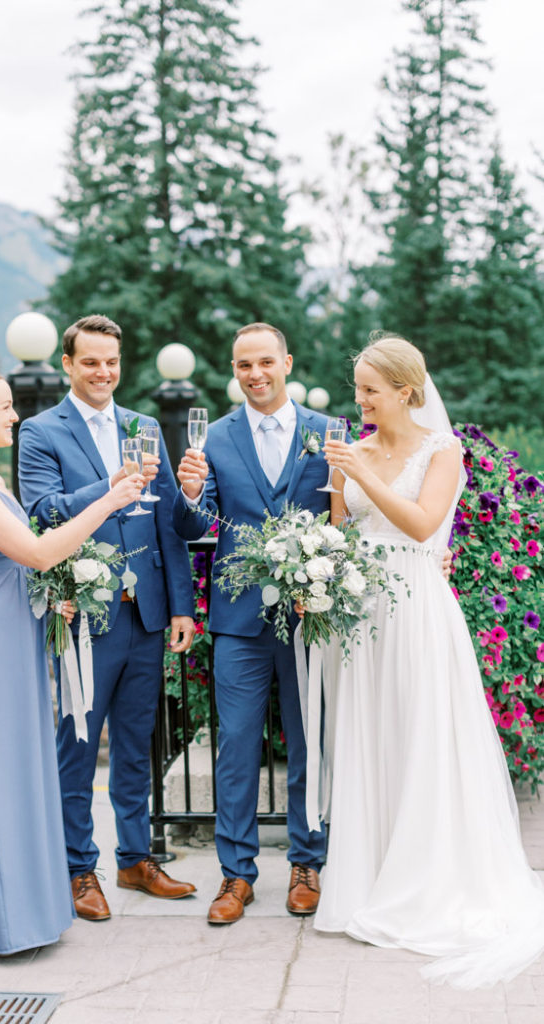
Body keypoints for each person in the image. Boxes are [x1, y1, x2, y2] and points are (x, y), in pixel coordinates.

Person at [309, 334, 544, 987]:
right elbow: (339, 531)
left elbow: (420, 524)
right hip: (359, 612)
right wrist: (311, 564)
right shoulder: (348, 454)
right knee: (368, 737)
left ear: (404, 392)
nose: (359, 403)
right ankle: (366, 877)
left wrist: (357, 475)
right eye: (357, 390)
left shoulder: (442, 451)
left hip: (414, 605)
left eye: (369, 392)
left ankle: (426, 880)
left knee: (418, 736)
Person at [0, 369, 145, 956]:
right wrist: (111, 497)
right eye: (4, 406)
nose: (14, 416)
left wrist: (50, 599)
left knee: (17, 764)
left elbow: (21, 565)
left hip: (11, 626)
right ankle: (3, 923)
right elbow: (42, 550)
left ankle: (10, 912)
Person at [18, 313, 197, 921]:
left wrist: (180, 606)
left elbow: (171, 521)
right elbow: (42, 513)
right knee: (76, 746)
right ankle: (77, 868)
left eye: (112, 362)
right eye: (91, 362)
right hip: (83, 617)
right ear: (68, 364)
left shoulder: (144, 426)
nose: (103, 372)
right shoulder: (41, 432)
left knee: (135, 745)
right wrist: (110, 488)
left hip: (145, 616)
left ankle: (134, 858)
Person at [172, 322, 330, 925]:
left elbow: (343, 516)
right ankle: (236, 875)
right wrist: (189, 495)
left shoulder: (326, 432)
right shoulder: (212, 438)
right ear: (233, 370)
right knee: (236, 746)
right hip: (238, 623)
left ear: (287, 362)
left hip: (308, 618)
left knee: (309, 741)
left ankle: (306, 861)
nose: (255, 374)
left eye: (266, 362)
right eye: (243, 365)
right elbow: (194, 529)